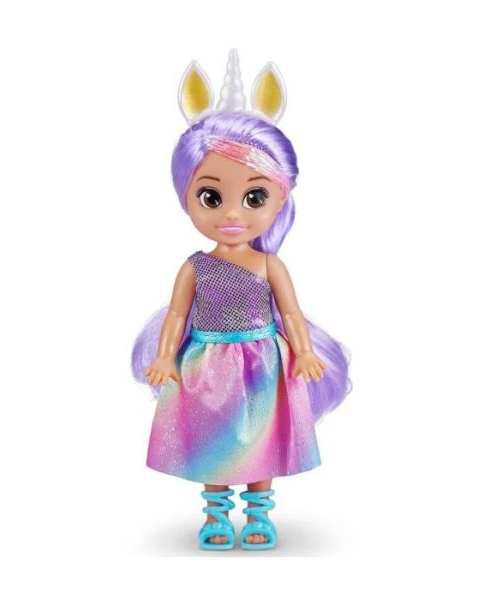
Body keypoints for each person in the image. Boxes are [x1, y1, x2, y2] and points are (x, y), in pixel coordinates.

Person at [132, 49, 351, 551]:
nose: (232, 213)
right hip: (206, 364)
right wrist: (165, 355)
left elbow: (290, 312)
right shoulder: (194, 266)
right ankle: (215, 513)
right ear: (187, 197)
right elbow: (178, 314)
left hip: (262, 364)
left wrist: (304, 350)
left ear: (280, 198)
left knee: (261, 440)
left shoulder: (270, 266)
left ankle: (258, 512)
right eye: (211, 197)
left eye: (254, 197)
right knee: (212, 441)